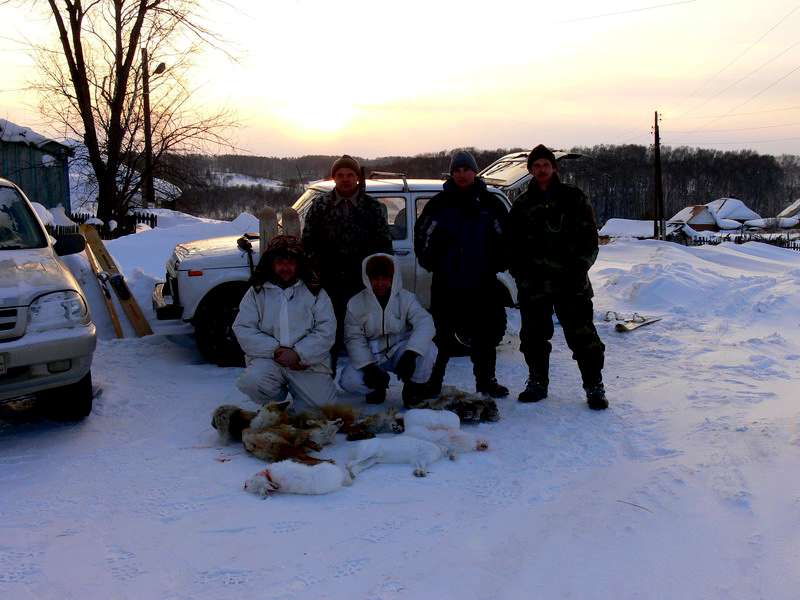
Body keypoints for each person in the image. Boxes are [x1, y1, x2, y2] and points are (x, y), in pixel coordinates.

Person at [506, 144, 607, 409]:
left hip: (571, 283)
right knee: (533, 338)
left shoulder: (574, 198)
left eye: (545, 165)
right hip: (534, 285)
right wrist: (520, 274)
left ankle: (594, 386)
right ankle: (537, 382)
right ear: (530, 170)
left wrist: (579, 269)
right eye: (536, 165)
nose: (541, 169)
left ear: (554, 168)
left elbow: (590, 240)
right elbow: (512, 244)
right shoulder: (522, 205)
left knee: (584, 337)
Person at [414, 150, 509, 398]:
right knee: (441, 336)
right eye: (457, 170)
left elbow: (507, 237)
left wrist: (497, 263)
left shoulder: (490, 203)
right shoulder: (439, 203)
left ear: (474, 172)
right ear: (452, 174)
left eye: (466, 169)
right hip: (446, 282)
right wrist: (432, 263)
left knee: (484, 335)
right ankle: (433, 381)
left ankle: (486, 381)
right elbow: (422, 236)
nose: (461, 174)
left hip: (482, 281)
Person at [302, 155, 394, 371]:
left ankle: (369, 377)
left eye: (350, 174)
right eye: (340, 175)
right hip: (328, 281)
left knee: (364, 332)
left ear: (357, 178)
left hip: (361, 282)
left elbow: (384, 246)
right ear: (334, 178)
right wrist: (315, 272)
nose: (345, 179)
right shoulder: (320, 206)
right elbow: (308, 242)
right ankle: (325, 375)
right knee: (327, 331)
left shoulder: (372, 207)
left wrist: (378, 278)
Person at [233, 235, 337, 414]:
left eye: (290, 262)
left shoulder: (315, 292)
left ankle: (302, 397)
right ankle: (275, 399)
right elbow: (243, 328)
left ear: (299, 264)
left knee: (322, 410)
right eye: (280, 262)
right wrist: (275, 351)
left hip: (307, 363)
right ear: (271, 264)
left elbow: (326, 330)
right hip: (269, 360)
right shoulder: (256, 292)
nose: (285, 268)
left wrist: (299, 354)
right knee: (252, 382)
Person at [339, 253, 437, 408]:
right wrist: (368, 368)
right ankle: (377, 387)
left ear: (393, 278)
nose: (380, 283)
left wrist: (411, 354)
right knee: (348, 380)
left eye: (385, 278)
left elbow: (425, 323)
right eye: (375, 278)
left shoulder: (407, 298)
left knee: (429, 350)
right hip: (372, 355)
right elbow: (353, 338)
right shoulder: (356, 302)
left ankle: (413, 389)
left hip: (399, 351)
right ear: (367, 278)